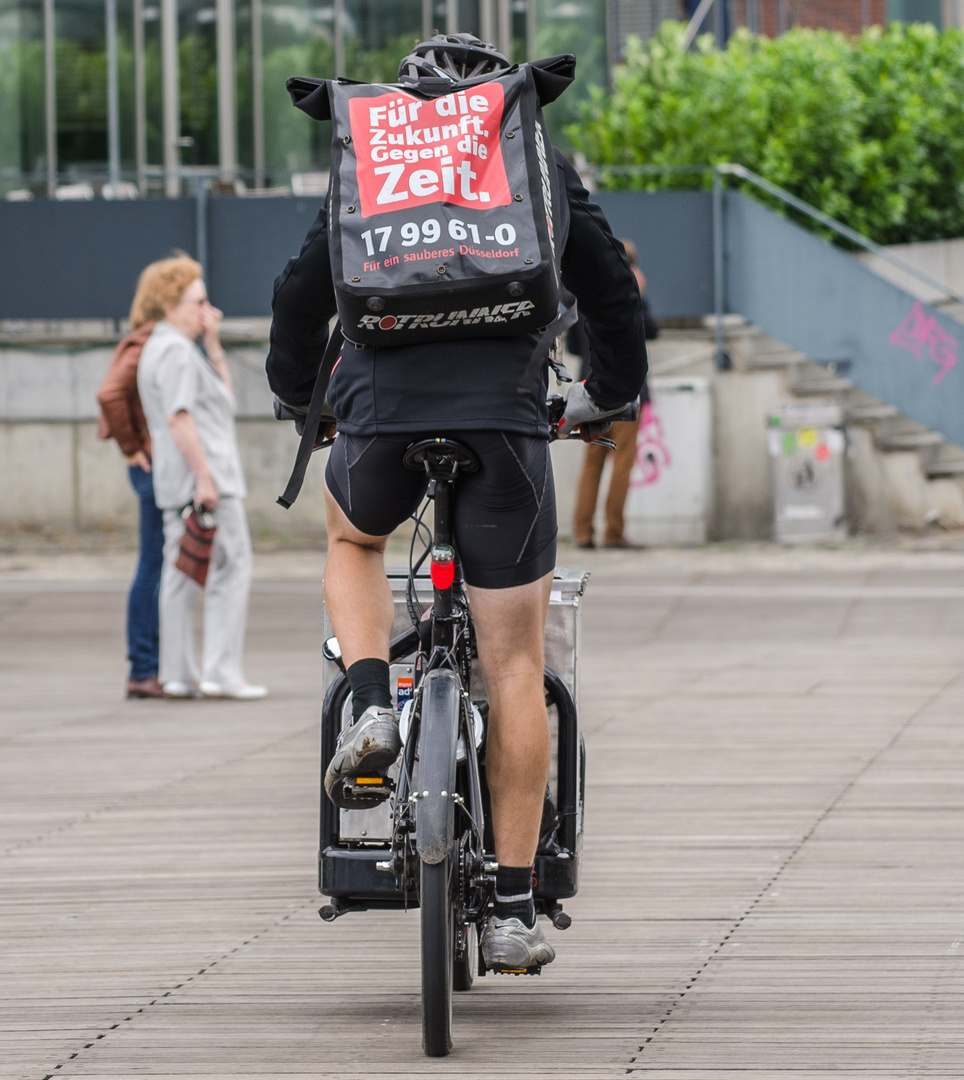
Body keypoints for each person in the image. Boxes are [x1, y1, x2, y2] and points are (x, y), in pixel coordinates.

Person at [266, 34, 646, 970]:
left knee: (353, 539)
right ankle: (514, 907)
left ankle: (369, 701)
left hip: (382, 419)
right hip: (505, 424)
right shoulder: (537, 168)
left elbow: (298, 295)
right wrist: (607, 393)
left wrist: (295, 399)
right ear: (503, 105)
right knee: (514, 664)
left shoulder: (379, 160)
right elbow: (610, 297)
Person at [135, 255, 267, 701]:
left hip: (180, 482)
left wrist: (211, 344)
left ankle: (179, 673)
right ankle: (222, 671)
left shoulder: (165, 346)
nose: (207, 309)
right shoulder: (173, 350)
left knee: (181, 573)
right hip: (208, 480)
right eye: (198, 300)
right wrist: (206, 479)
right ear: (169, 304)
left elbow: (221, 402)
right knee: (232, 567)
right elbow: (180, 418)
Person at [571, 239, 660, 549]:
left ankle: (583, 532)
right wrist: (639, 295)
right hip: (626, 392)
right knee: (622, 462)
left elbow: (572, 343)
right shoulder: (626, 293)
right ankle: (614, 532)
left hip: (590, 393)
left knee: (592, 462)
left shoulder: (583, 291)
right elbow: (650, 330)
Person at [97, 314, 164, 699]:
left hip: (154, 466)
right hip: (152, 468)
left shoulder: (148, 341)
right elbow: (109, 394)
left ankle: (150, 666)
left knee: (156, 566)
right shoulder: (147, 342)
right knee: (153, 566)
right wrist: (133, 447)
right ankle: (143, 668)